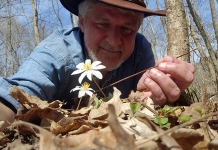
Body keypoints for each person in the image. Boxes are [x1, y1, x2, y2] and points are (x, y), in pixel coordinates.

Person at [0, 0, 195, 129]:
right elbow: (15, 95)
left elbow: (148, 100)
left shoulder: (140, 50)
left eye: (127, 29)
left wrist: (157, 93)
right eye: (103, 24)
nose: (114, 41)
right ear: (82, 22)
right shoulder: (57, 51)